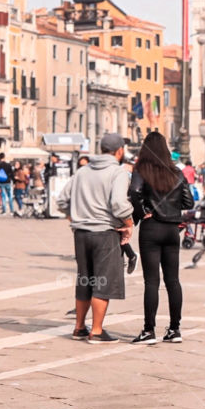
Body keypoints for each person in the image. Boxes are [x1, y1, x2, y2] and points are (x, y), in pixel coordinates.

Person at [56, 133, 133, 343]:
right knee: (103, 280)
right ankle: (97, 331)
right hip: (104, 233)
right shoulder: (118, 172)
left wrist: (75, 218)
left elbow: (62, 200)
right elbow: (118, 203)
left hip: (81, 234)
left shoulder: (82, 171)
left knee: (85, 279)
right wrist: (129, 223)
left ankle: (79, 327)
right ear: (119, 151)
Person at [128, 132, 193, 344]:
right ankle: (175, 329)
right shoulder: (176, 172)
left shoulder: (142, 170)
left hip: (152, 228)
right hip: (172, 230)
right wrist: (173, 209)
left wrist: (143, 210)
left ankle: (149, 330)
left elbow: (134, 192)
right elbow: (188, 202)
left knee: (152, 281)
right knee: (173, 280)